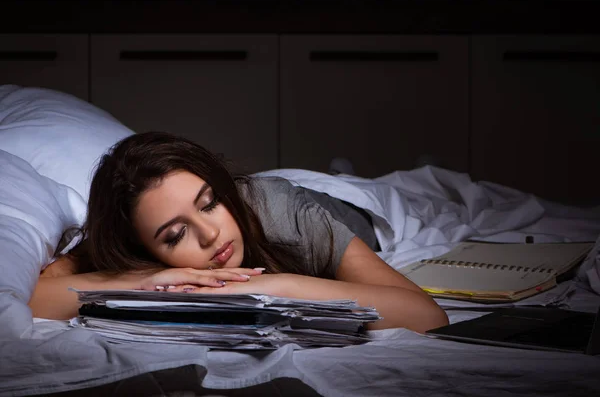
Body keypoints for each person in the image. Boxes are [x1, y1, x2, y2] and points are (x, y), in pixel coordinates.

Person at [29, 132, 448, 333]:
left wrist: (274, 285)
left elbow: (426, 314)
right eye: (175, 236)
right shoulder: (128, 247)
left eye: (209, 202)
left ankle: (347, 174)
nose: (212, 235)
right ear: (141, 247)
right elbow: (30, 294)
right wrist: (145, 279)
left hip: (340, 205)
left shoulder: (289, 219)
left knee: (393, 193)